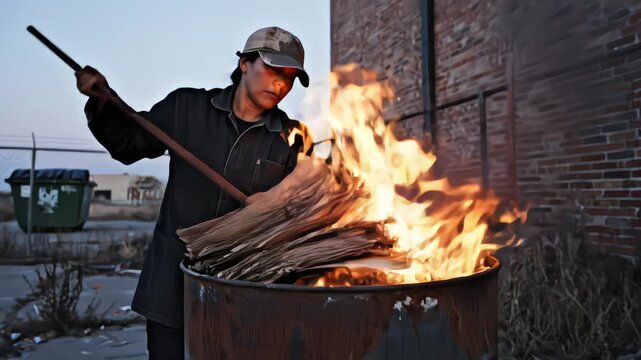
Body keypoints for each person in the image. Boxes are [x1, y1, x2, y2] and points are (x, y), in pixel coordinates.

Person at [75, 26, 313, 359]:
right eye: (274, 69)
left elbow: (305, 213)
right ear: (244, 63)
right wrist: (102, 102)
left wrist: (276, 206)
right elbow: (128, 143)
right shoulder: (186, 108)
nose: (281, 84)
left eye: (290, 77)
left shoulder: (292, 139)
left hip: (245, 298)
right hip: (172, 290)